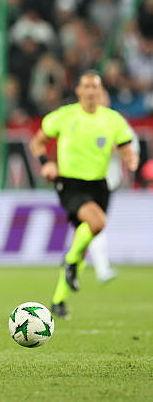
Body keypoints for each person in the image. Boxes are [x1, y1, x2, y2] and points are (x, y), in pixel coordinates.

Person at [29, 71, 139, 319]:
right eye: (86, 86)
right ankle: (69, 262)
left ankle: (58, 300)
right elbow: (37, 142)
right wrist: (46, 163)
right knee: (97, 223)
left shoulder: (112, 120)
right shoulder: (64, 116)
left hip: (99, 185)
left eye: (95, 87)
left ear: (101, 91)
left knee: (84, 239)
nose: (90, 91)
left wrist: (131, 158)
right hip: (71, 184)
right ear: (78, 90)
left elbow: (126, 147)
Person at [87, 89, 140, 283]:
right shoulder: (83, 121)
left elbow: (132, 148)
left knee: (92, 224)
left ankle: (79, 262)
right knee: (96, 222)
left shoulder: (116, 121)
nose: (102, 100)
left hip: (107, 182)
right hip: (84, 180)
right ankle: (101, 268)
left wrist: (118, 149)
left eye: (104, 96)